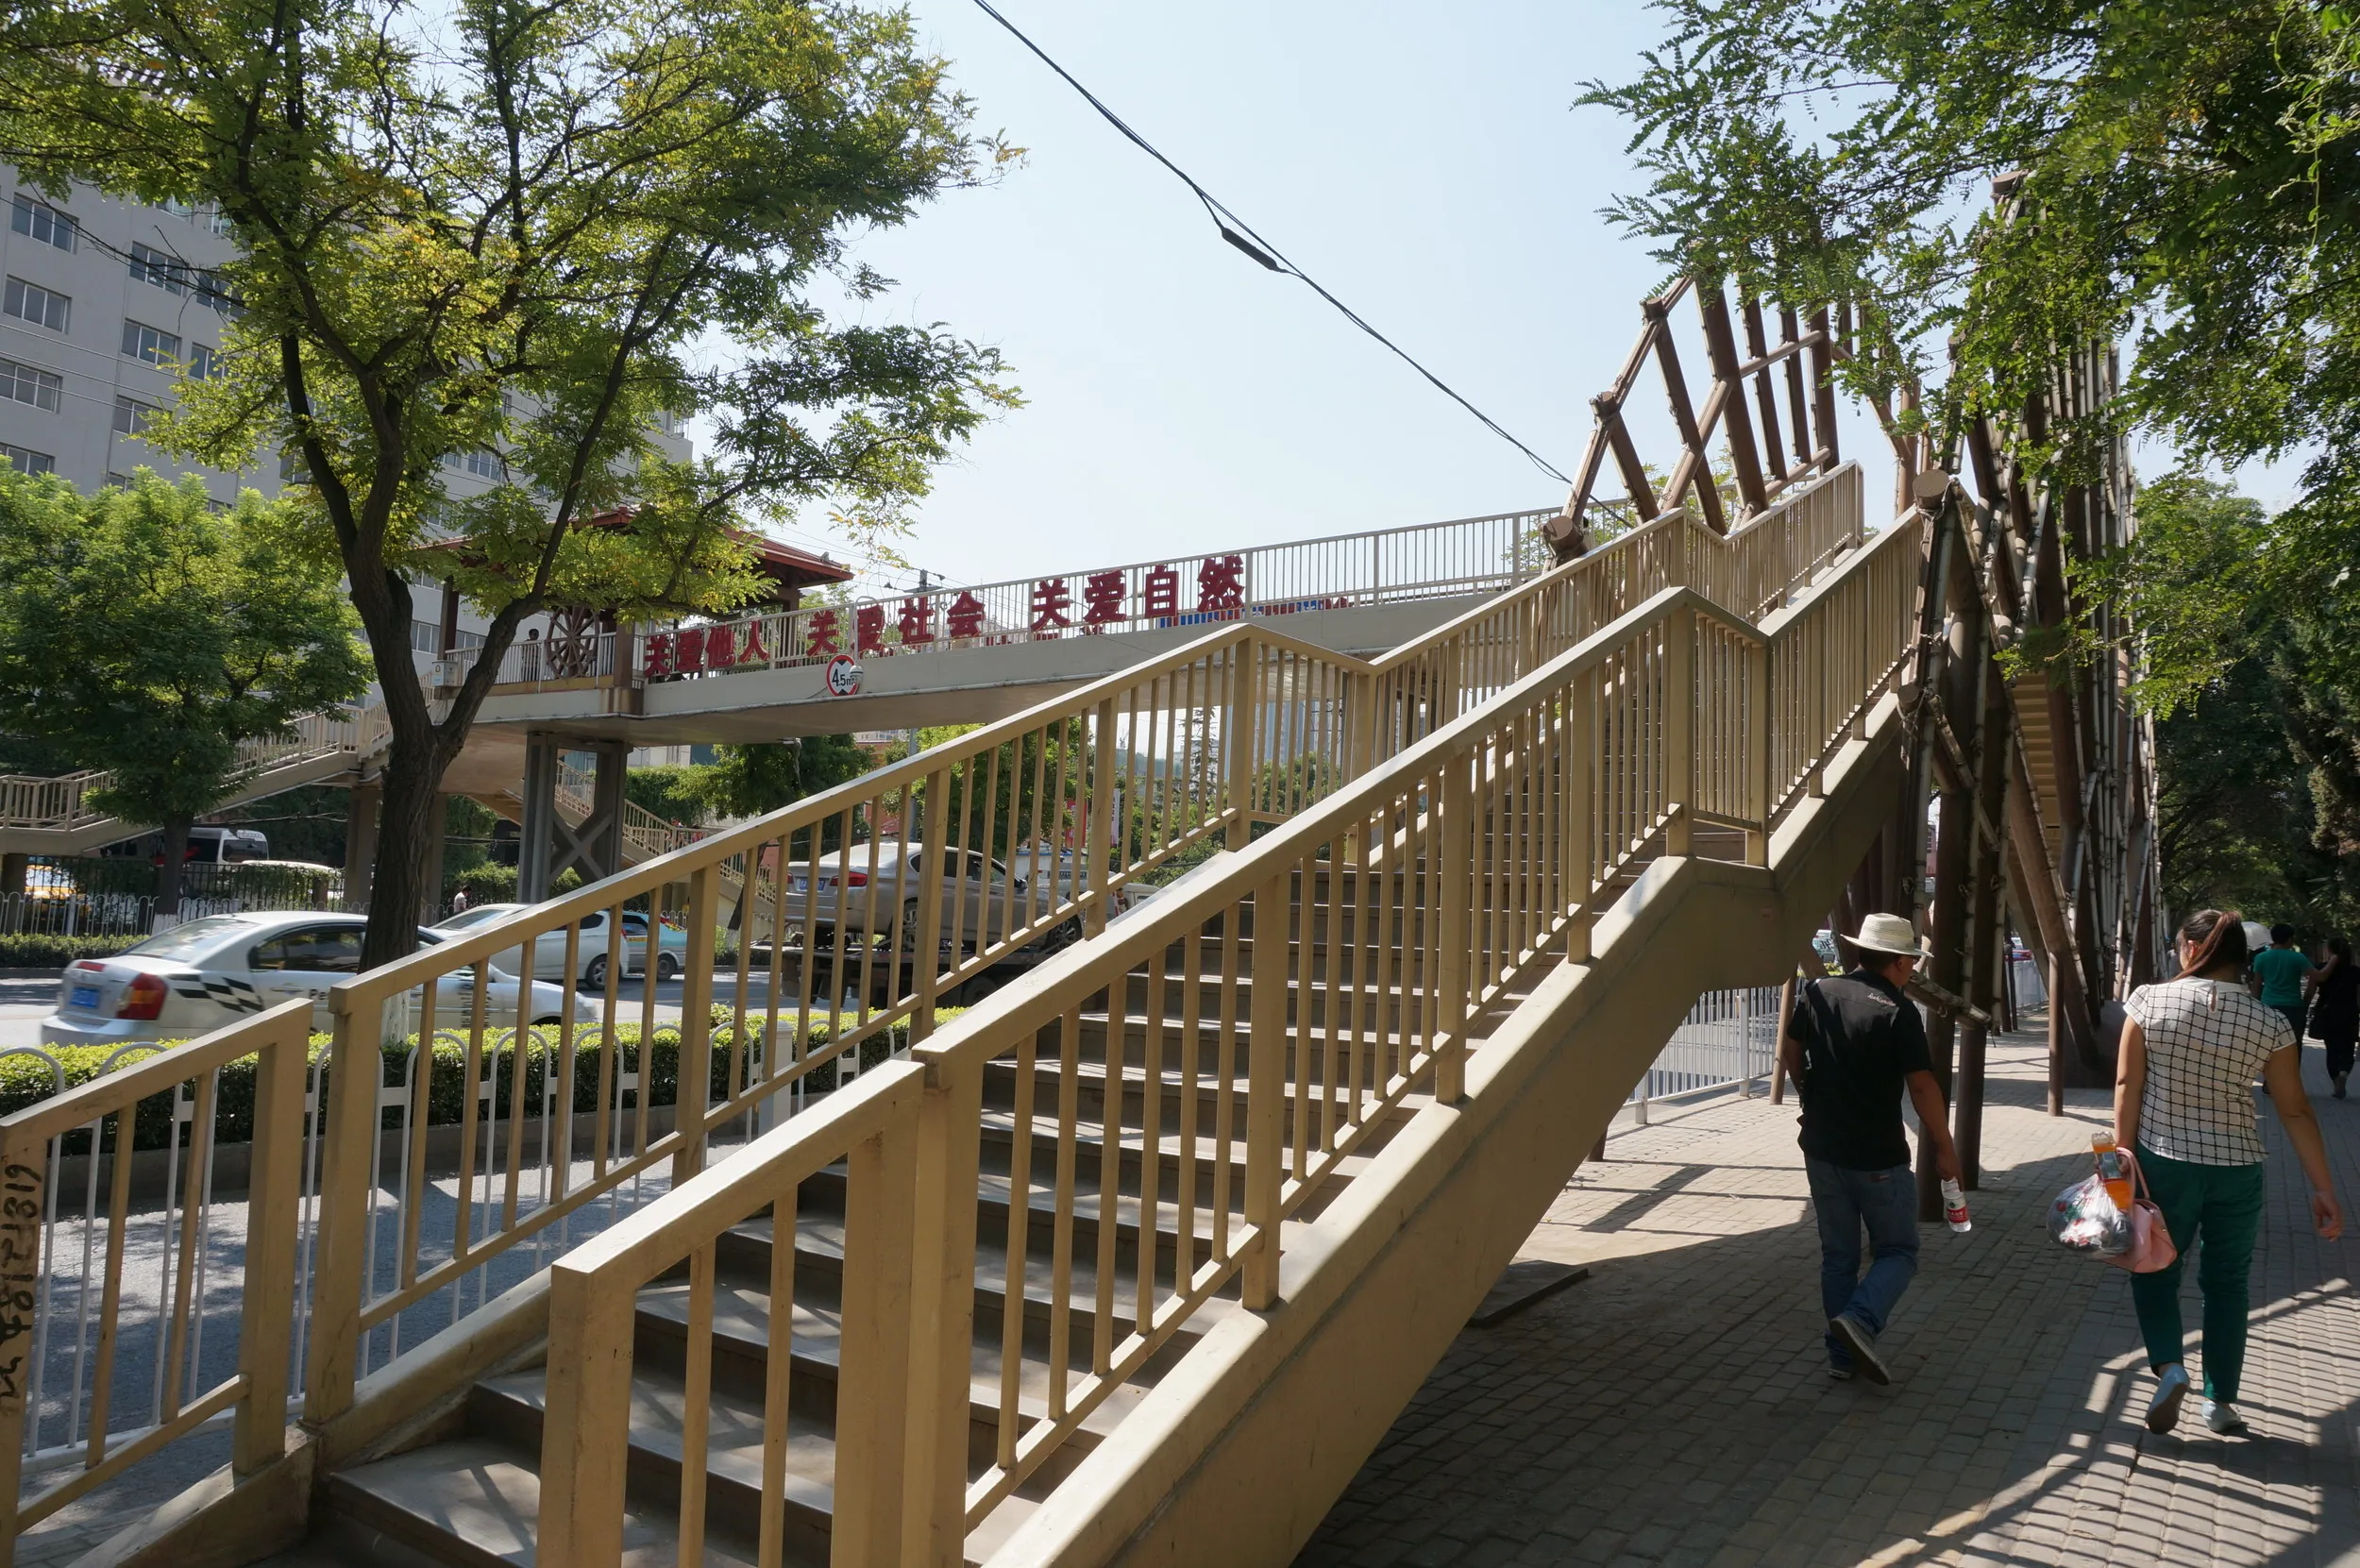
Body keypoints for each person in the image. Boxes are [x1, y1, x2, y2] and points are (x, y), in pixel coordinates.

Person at [2117, 909, 2343, 1437]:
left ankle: (2170, 1366)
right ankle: (2221, 1404)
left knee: (2153, 1266)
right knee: (2227, 1284)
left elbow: (2128, 1083)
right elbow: (2293, 1109)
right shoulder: (2269, 1022)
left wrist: (2120, 1158)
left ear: (2192, 951)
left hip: (2162, 1161)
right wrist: (2323, 1187)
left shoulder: (2149, 1000)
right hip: (2238, 1166)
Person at [1779, 912, 1962, 1386]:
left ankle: (1842, 1357)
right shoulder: (1897, 1013)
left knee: (1838, 1256)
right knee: (1899, 1251)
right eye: (1911, 962)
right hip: (1878, 1157)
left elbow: (1791, 1050)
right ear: (1900, 962)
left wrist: (1809, 1095)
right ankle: (1859, 1321)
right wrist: (1945, 1147)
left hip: (1821, 1148)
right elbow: (1922, 1089)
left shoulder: (1819, 991)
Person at [2308, 936, 2358, 1099]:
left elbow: (2311, 990)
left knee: (2332, 1050)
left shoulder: (2321, 969)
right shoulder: (2356, 972)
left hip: (2327, 1012)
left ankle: (2336, 1080)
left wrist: (2305, 1006)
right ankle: (2343, 1074)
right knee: (2348, 1048)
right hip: (2350, 1013)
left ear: (2329, 950)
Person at [2249, 923, 2316, 1041]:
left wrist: (2254, 1008)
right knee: (2293, 1045)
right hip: (2293, 1008)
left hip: (2268, 1006)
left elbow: (2256, 986)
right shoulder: (2298, 957)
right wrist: (2334, 960)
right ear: (2290, 939)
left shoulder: (2261, 958)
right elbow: (2318, 977)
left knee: (2269, 1044)